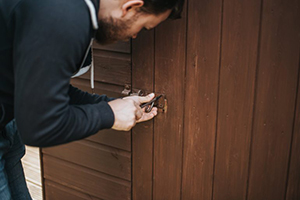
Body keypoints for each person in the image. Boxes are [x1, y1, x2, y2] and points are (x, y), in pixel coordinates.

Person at [0, 0, 184, 199]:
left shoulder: (69, 10)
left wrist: (109, 105)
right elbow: (38, 127)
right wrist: (110, 114)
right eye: (143, 26)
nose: (134, 35)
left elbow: (42, 90)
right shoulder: (63, 17)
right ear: (130, 6)